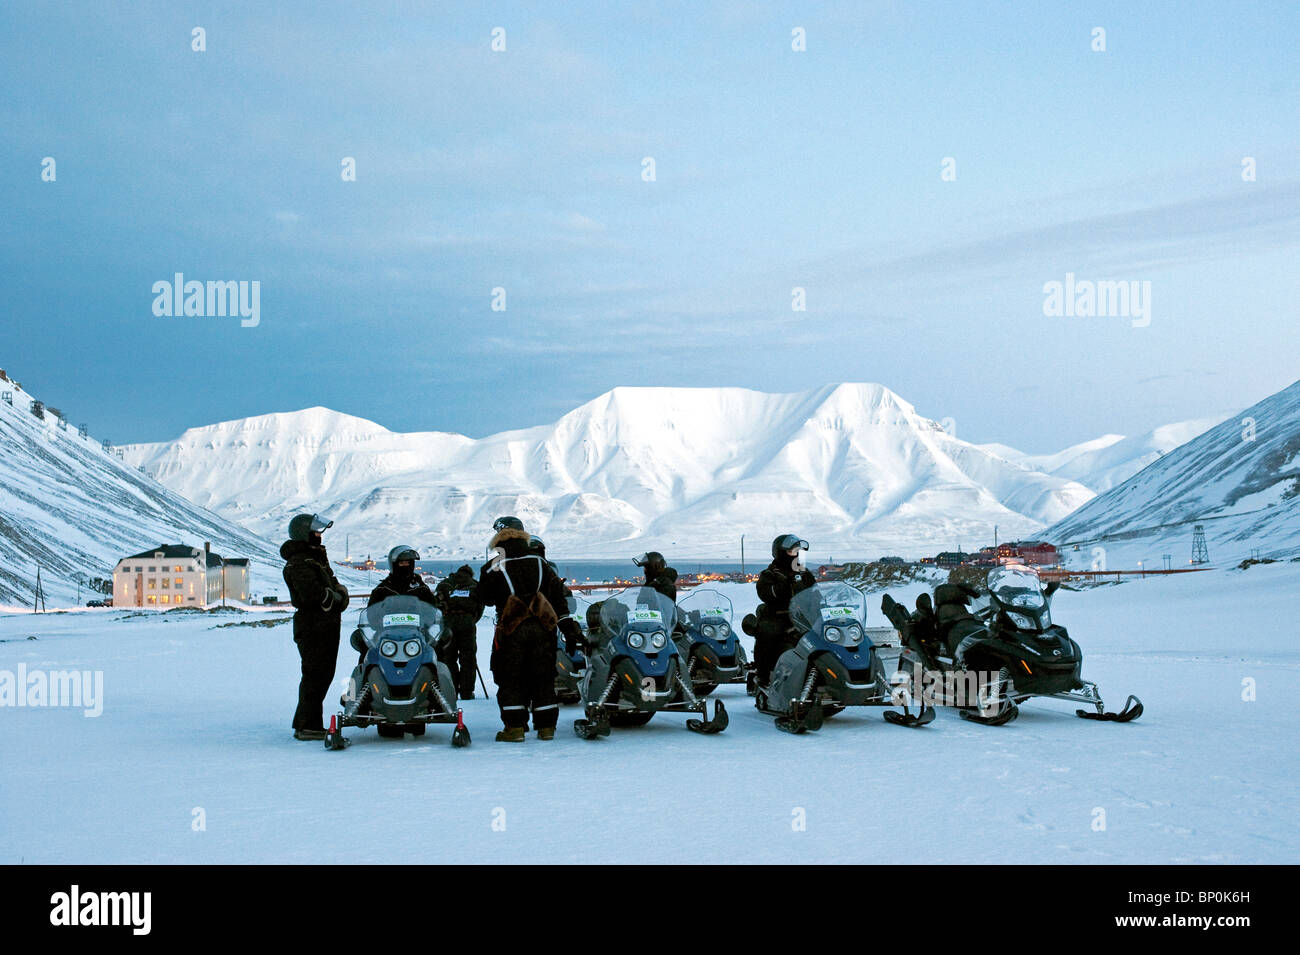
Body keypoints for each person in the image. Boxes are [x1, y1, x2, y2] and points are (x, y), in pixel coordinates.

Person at [476, 517, 572, 742]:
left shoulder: (494, 566)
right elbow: (558, 595)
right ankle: (546, 727)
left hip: (511, 630)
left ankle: (515, 728)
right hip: (542, 628)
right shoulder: (540, 563)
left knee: (509, 677)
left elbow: (485, 598)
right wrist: (567, 625)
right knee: (543, 675)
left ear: (499, 536)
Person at [281, 513, 350, 740]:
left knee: (323, 674)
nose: (320, 537)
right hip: (314, 626)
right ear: (305, 534)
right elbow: (319, 596)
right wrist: (337, 597)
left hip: (325, 625)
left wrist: (337, 595)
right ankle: (307, 725)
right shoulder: (301, 562)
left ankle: (309, 723)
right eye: (316, 533)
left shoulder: (315, 559)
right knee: (315, 675)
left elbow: (335, 588)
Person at [752, 534, 816, 688]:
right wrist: (785, 587)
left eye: (798, 551)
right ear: (781, 552)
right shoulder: (770, 574)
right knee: (768, 632)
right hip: (779, 616)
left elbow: (815, 593)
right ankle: (763, 674)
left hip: (804, 617)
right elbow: (766, 593)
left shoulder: (804, 573)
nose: (796, 555)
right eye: (792, 551)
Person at [434, 564, 485, 698]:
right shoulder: (475, 585)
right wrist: (472, 619)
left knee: (449, 658)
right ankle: (467, 691)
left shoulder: (445, 584)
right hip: (467, 623)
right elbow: (480, 607)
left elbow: (435, 604)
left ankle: (451, 690)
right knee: (468, 658)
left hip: (448, 623)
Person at [530, 536, 584, 657]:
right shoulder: (523, 580)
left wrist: (565, 616)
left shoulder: (558, 586)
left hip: (554, 626)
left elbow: (569, 605)